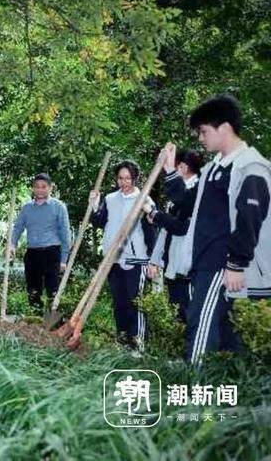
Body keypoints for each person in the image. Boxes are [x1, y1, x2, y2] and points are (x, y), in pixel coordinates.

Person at [170, 95, 270, 365]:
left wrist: (236, 264)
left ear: (224, 127)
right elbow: (188, 204)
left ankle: (194, 385)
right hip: (205, 261)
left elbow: (251, 217)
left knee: (200, 321)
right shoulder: (214, 169)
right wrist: (170, 172)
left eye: (203, 131)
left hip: (221, 262)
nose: (200, 139)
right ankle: (228, 391)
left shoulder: (250, 166)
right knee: (227, 333)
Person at [90, 160, 157, 351]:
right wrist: (94, 205)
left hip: (136, 259)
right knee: (119, 302)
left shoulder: (144, 200)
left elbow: (152, 231)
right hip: (113, 259)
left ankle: (139, 344)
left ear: (134, 178)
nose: (124, 182)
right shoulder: (111, 199)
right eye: (120, 178)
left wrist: (153, 260)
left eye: (128, 178)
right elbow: (100, 222)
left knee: (136, 302)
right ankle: (123, 341)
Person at [146, 149, 203, 324]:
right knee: (178, 318)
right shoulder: (178, 196)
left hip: (191, 270)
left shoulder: (198, 191)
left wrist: (156, 215)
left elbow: (180, 227)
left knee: (192, 319)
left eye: (171, 167)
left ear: (183, 167)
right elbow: (166, 230)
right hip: (174, 268)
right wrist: (155, 260)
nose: (167, 172)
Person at [10, 173, 71, 312]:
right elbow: (18, 227)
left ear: (50, 188)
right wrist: (12, 244)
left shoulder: (58, 207)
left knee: (53, 291)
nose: (40, 190)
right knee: (33, 291)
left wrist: (64, 260)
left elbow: (65, 233)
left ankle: (53, 325)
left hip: (52, 253)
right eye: (37, 187)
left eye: (44, 187)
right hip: (32, 253)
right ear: (32, 188)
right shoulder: (27, 208)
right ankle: (35, 322)